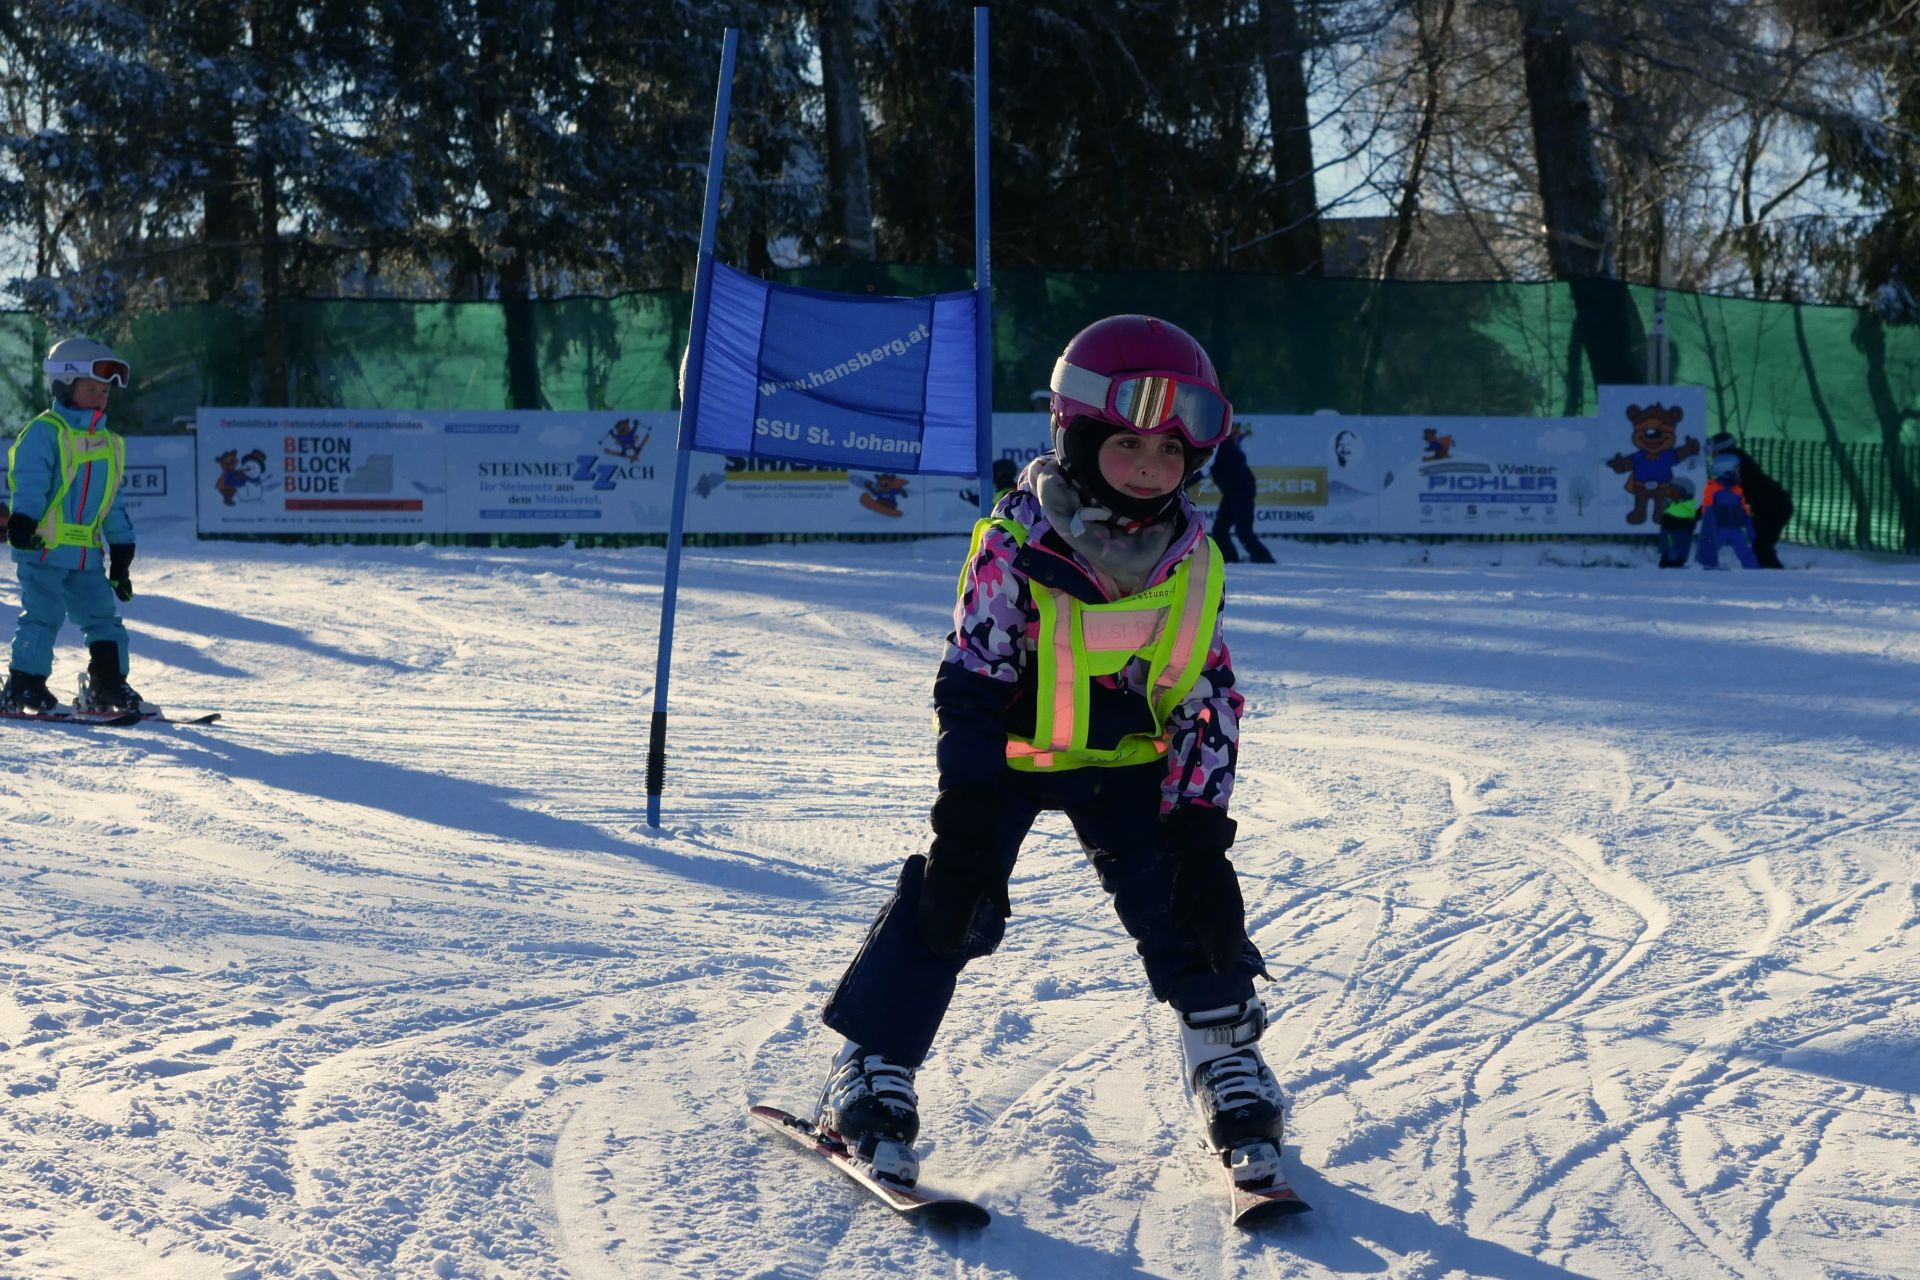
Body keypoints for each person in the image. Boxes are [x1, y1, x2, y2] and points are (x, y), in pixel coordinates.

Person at [814, 314, 1283, 1192]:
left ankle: (1225, 1055)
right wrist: (963, 814)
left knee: (1183, 900)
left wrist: (1200, 830)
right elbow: (972, 678)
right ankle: (873, 1065)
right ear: (1076, 436)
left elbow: (1207, 696)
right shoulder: (1017, 545)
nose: (1149, 467)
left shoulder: (1192, 561)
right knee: (955, 895)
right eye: (1128, 444)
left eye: (1170, 452)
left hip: (1126, 766)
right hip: (1009, 763)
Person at [2, 337, 143, 715]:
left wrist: (122, 551)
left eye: (105, 392)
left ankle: (108, 686)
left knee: (104, 620)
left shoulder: (109, 443)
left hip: (86, 556)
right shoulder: (45, 432)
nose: (99, 398)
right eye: (90, 389)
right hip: (42, 548)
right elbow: (31, 480)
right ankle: (23, 685)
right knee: (43, 616)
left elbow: (112, 502)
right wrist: (22, 520)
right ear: (64, 386)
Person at [1707, 432, 1792, 568]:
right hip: (1772, 505)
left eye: (1714, 452)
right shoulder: (1737, 459)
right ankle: (1771, 572)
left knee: (1761, 547)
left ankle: (1775, 574)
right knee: (1761, 547)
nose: (1712, 457)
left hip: (1772, 507)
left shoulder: (1733, 463)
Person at [1208, 422, 1273, 564]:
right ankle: (1231, 559)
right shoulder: (1221, 443)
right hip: (1234, 491)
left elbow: (1203, 470)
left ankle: (1265, 560)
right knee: (1220, 530)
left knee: (1242, 531)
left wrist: (1185, 483)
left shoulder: (1218, 444)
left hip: (1240, 490)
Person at [1696, 452, 1759, 569]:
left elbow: (1743, 509)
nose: (1739, 473)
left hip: (1735, 529)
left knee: (1745, 552)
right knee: (1711, 551)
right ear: (1726, 472)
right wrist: (1708, 529)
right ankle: (1706, 569)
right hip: (1718, 529)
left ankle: (1754, 572)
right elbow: (1707, 509)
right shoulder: (1712, 488)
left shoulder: (1737, 490)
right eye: (1736, 470)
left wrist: (1749, 527)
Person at [1656, 476, 1699, 568]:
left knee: (1681, 542)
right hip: (1668, 527)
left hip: (1681, 528)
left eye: (1675, 493)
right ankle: (1665, 559)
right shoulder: (1672, 504)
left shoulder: (1687, 506)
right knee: (1666, 542)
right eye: (1670, 493)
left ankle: (1678, 560)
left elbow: (1693, 516)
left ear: (1684, 495)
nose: (1671, 496)